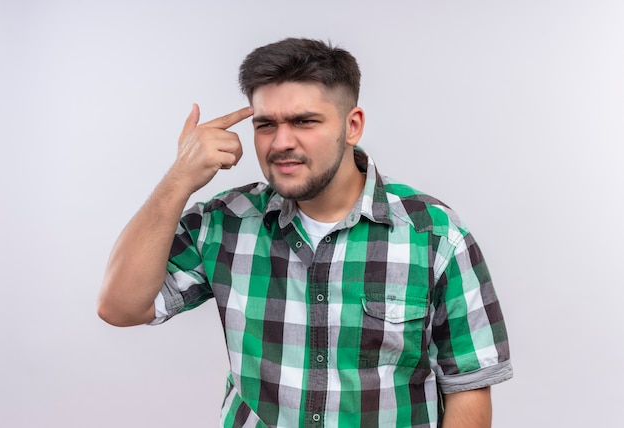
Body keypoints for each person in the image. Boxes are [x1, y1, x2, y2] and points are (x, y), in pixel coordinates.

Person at [98, 38, 513, 427]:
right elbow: (121, 307)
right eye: (265, 125)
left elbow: (468, 385)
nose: (281, 142)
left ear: (352, 126)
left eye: (303, 121)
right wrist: (179, 180)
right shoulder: (225, 221)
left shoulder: (435, 234)